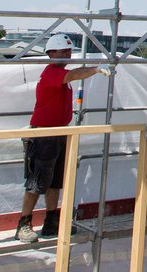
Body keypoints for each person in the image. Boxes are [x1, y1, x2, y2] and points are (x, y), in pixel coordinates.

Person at [16, 34, 106, 243]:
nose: (67, 55)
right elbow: (74, 74)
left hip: (59, 132)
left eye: (68, 51)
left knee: (55, 181)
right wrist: (96, 69)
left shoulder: (60, 74)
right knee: (36, 182)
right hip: (44, 134)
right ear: (50, 53)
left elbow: (72, 74)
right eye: (62, 51)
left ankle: (51, 221)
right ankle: (24, 224)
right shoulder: (52, 73)